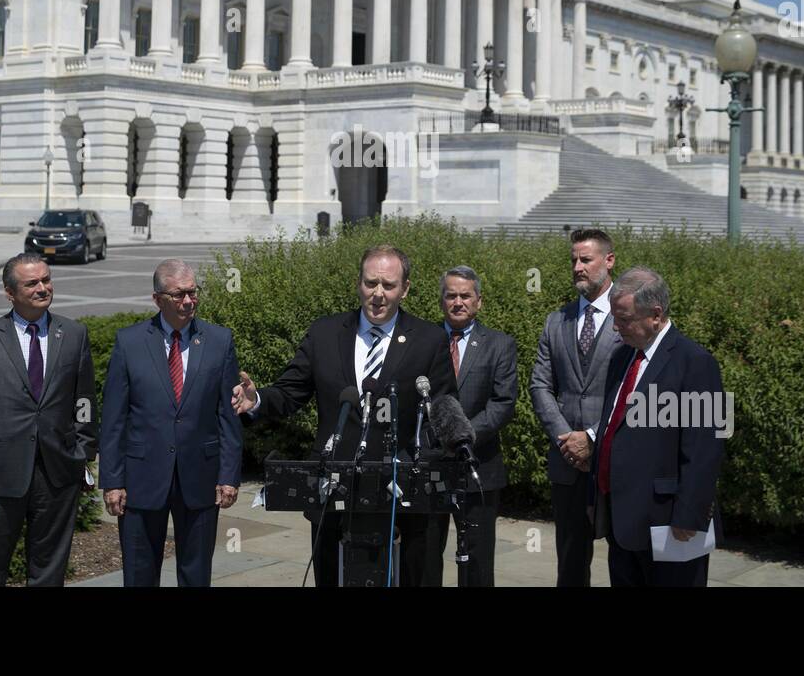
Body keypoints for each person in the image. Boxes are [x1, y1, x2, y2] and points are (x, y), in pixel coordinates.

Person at [231, 244, 455, 586]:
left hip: (403, 490)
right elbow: (292, 392)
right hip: (334, 486)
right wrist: (257, 399)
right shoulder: (326, 333)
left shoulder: (429, 340)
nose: (378, 294)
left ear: (405, 289)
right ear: (359, 283)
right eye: (370, 283)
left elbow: (442, 408)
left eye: (389, 285)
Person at [0, 253, 97, 586]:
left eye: (46, 280)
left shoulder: (73, 334)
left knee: (49, 569)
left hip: (57, 475)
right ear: (10, 292)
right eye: (32, 283)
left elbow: (84, 401)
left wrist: (83, 454)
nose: (43, 288)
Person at [100, 258, 242, 587]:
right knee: (139, 572)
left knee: (195, 574)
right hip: (141, 477)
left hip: (201, 477)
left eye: (193, 292)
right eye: (179, 295)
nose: (189, 301)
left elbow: (228, 415)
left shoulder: (219, 341)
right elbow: (113, 419)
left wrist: (229, 475)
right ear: (157, 298)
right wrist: (112, 480)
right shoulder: (129, 342)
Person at [589, 267, 725, 587]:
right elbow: (614, 427)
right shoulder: (622, 357)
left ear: (655, 315)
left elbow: (705, 448)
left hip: (670, 524)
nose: (615, 327)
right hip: (622, 522)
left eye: (624, 319)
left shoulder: (695, 362)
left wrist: (689, 514)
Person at [530, 227, 625, 587]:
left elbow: (634, 390)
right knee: (570, 564)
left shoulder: (630, 317)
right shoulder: (557, 321)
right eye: (573, 260)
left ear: (609, 260)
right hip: (566, 461)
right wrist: (565, 438)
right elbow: (540, 384)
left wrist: (592, 437)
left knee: (625, 558)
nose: (577, 267)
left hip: (616, 460)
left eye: (586, 259)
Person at [422, 266, 517, 587]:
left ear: (479, 301)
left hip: (479, 469)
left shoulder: (499, 345)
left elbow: (502, 404)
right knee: (425, 558)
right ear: (441, 301)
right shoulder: (423, 342)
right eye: (451, 295)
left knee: (477, 562)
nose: (458, 302)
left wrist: (460, 438)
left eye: (465, 295)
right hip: (430, 467)